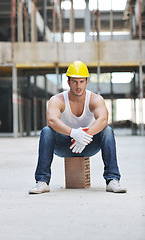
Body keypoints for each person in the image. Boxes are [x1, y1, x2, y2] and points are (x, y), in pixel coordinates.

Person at [29, 60, 127, 194]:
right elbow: (52, 120)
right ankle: (42, 181)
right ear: (68, 82)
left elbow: (103, 119)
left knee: (107, 131)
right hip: (64, 145)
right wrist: (73, 133)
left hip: (88, 144)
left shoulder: (95, 99)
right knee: (46, 131)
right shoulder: (57, 100)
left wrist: (86, 135)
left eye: (81, 81)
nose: (78, 85)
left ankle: (112, 180)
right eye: (74, 81)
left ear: (87, 82)